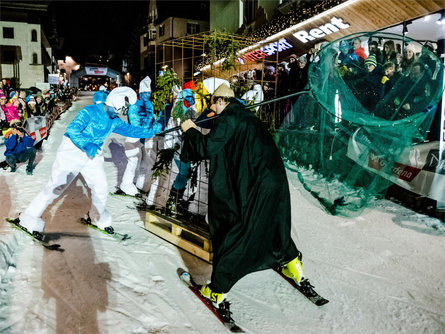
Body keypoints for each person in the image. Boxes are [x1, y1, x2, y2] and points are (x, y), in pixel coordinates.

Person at [179, 83, 306, 307]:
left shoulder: (228, 118)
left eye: (213, 104)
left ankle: (217, 290)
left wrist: (189, 130)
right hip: (275, 179)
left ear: (220, 101)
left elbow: (208, 147)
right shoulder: (248, 117)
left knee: (238, 229)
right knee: (274, 221)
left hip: (257, 184)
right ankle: (293, 264)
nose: (212, 109)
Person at [18, 87, 161, 239]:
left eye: (120, 111)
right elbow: (73, 129)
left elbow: (131, 130)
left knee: (101, 187)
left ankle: (97, 217)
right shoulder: (90, 111)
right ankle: (29, 217)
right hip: (72, 150)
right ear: (110, 103)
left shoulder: (114, 120)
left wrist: (151, 131)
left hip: (93, 154)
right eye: (116, 110)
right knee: (56, 187)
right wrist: (86, 144)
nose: (117, 114)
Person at [119, 76, 157, 196]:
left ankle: (143, 184)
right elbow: (135, 122)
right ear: (140, 92)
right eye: (145, 93)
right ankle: (126, 184)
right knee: (133, 161)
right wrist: (147, 130)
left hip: (147, 137)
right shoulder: (135, 104)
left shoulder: (149, 104)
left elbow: (151, 118)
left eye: (149, 93)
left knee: (147, 162)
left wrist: (154, 124)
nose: (147, 95)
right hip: (135, 137)